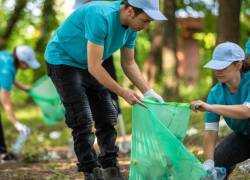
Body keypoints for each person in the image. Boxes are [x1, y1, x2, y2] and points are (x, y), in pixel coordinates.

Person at [45, 0, 166, 179]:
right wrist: (123, 92)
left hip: (88, 63)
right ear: (131, 11)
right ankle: (90, 170)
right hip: (63, 60)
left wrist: (148, 91)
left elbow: (129, 63)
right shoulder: (100, 15)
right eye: (146, 20)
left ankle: (110, 168)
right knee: (82, 118)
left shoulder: (132, 29)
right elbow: (95, 67)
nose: (147, 25)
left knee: (108, 114)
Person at [191, 42, 250, 178]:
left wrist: (210, 107)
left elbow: (246, 111)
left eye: (222, 66)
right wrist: (208, 163)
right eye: (215, 66)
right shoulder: (215, 93)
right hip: (244, 136)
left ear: (238, 65)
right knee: (218, 162)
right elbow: (210, 131)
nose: (217, 71)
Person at [0, 45, 40, 161]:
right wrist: (16, 123)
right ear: (20, 60)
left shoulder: (7, 56)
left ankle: (2, 153)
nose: (28, 67)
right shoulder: (8, 68)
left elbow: (10, 78)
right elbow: (5, 102)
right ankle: (2, 153)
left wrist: (25, 88)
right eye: (27, 64)